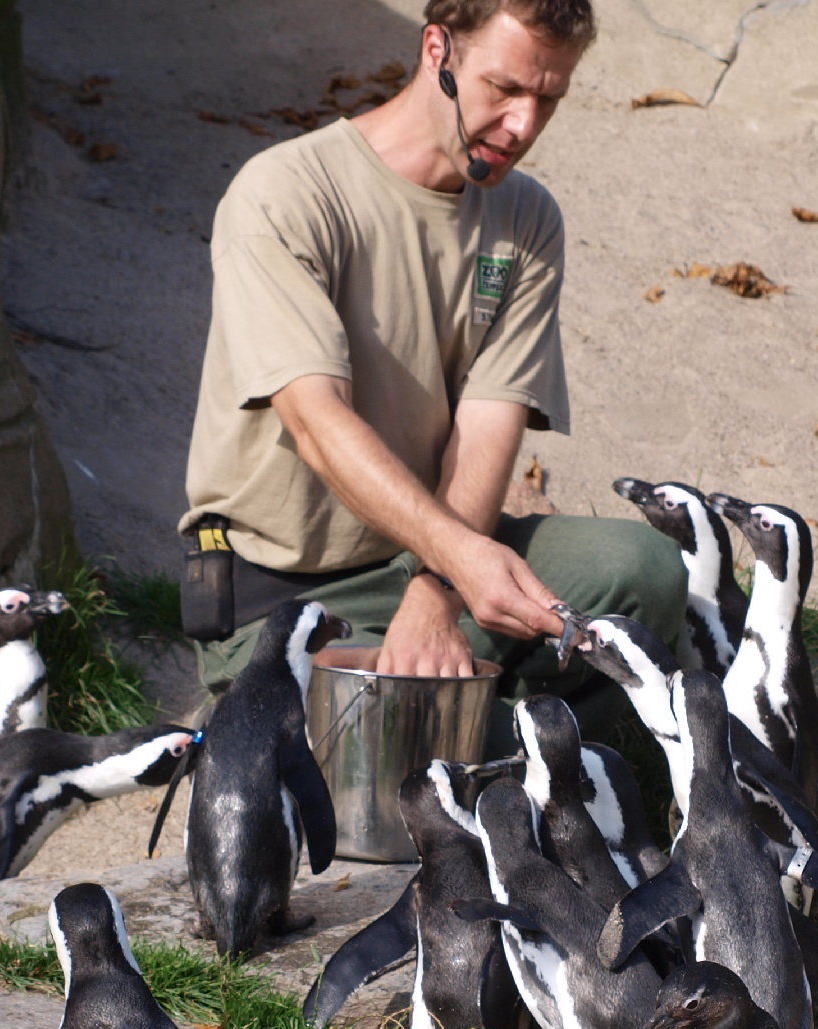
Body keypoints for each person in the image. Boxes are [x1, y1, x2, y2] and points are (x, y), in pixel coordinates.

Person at [179, 0, 685, 748]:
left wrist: (437, 587)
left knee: (647, 570)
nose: (523, 124)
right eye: (504, 88)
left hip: (431, 559)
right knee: (418, 749)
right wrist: (454, 565)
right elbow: (317, 423)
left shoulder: (527, 219)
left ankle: (478, 726)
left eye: (548, 98)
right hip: (283, 592)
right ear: (436, 50)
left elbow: (487, 429)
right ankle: (468, 735)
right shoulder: (285, 193)